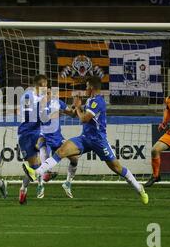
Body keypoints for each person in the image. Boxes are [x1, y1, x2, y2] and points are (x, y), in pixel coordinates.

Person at [23, 76, 149, 205]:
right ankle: (37, 172)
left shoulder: (98, 102)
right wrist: (76, 107)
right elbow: (81, 114)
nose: (85, 89)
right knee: (61, 151)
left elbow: (84, 119)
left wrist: (77, 108)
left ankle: (139, 188)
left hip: (99, 141)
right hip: (84, 139)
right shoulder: (90, 100)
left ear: (92, 88)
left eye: (87, 87)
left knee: (116, 168)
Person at [35, 87, 79, 199]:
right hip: (44, 137)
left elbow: (72, 114)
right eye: (44, 93)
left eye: (48, 92)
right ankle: (40, 185)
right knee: (43, 155)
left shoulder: (58, 102)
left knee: (75, 158)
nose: (47, 95)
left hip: (58, 139)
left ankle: (67, 183)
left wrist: (76, 107)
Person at [17, 74, 48, 205]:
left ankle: (44, 177)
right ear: (37, 86)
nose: (46, 88)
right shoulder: (28, 96)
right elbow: (30, 116)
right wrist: (41, 107)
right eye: (44, 86)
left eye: (46, 86)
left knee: (45, 143)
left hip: (37, 132)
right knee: (34, 167)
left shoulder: (42, 98)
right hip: (25, 134)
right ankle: (23, 189)